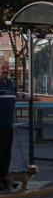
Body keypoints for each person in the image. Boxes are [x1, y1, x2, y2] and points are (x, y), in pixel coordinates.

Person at [0, 60, 16, 190]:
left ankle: (4, 179)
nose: (5, 70)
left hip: (9, 126)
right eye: (2, 68)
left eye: (7, 68)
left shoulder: (10, 84)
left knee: (6, 156)